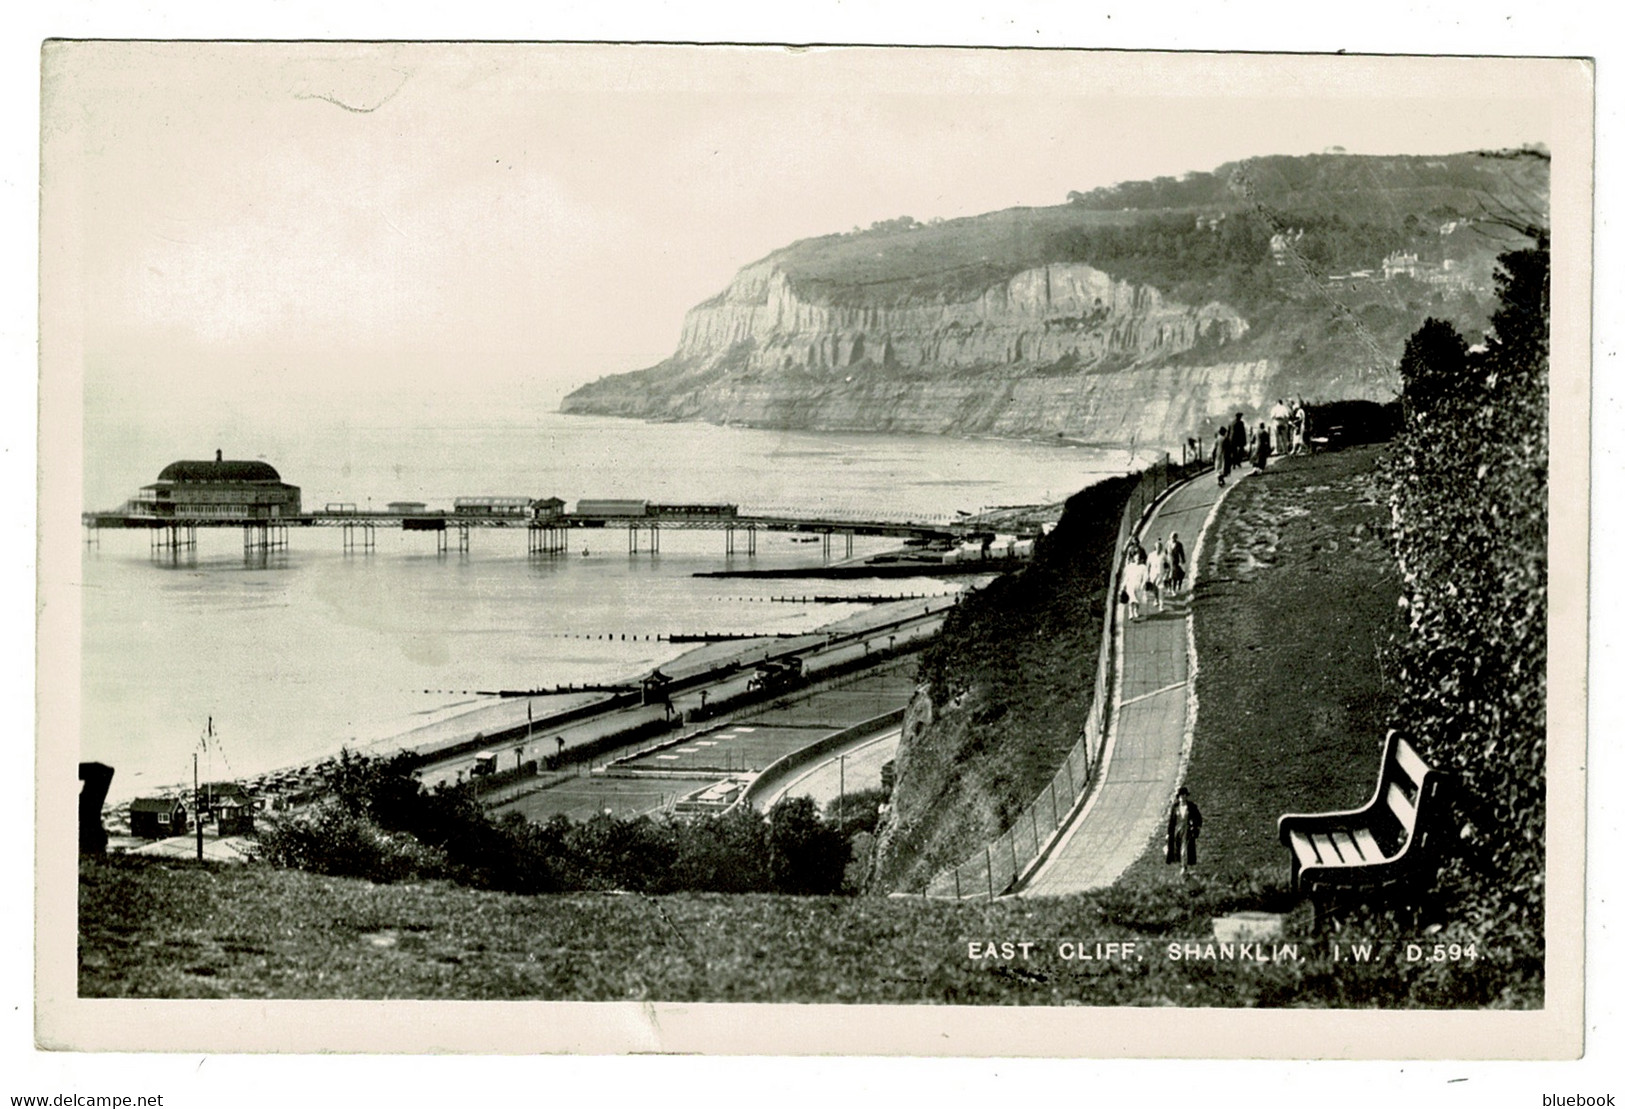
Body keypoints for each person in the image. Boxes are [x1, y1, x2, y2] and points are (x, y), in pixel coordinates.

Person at [1166, 786, 1203, 877]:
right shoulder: (1175, 808)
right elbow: (1172, 822)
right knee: (1177, 850)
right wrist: (1168, 833)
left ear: (1186, 796)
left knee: (1184, 849)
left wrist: (1195, 827)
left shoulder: (1191, 807)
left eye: (1184, 796)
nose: (1182, 798)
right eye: (1181, 796)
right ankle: (1182, 865)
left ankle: (1184, 868)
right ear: (1178, 797)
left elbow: (1199, 818)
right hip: (1177, 831)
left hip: (1187, 831)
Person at [1122, 542, 1148, 621]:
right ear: (1134, 559)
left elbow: (1146, 576)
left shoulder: (1143, 567)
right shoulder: (1130, 566)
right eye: (1136, 559)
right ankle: (1130, 613)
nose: (1137, 560)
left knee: (1137, 599)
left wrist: (1143, 583)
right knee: (1131, 599)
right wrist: (1124, 585)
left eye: (1139, 559)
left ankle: (1136, 611)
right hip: (1130, 585)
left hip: (1138, 585)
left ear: (1141, 559)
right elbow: (1127, 576)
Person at [1146, 539, 1167, 612]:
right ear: (1155, 547)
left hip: (1161, 575)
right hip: (1153, 575)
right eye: (1157, 547)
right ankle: (1156, 599)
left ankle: (1161, 606)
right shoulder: (1151, 555)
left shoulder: (1163, 555)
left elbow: (1167, 565)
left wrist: (1166, 574)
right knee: (1155, 589)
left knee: (1161, 590)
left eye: (1160, 548)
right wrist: (1147, 575)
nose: (1158, 549)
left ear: (1161, 548)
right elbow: (1148, 566)